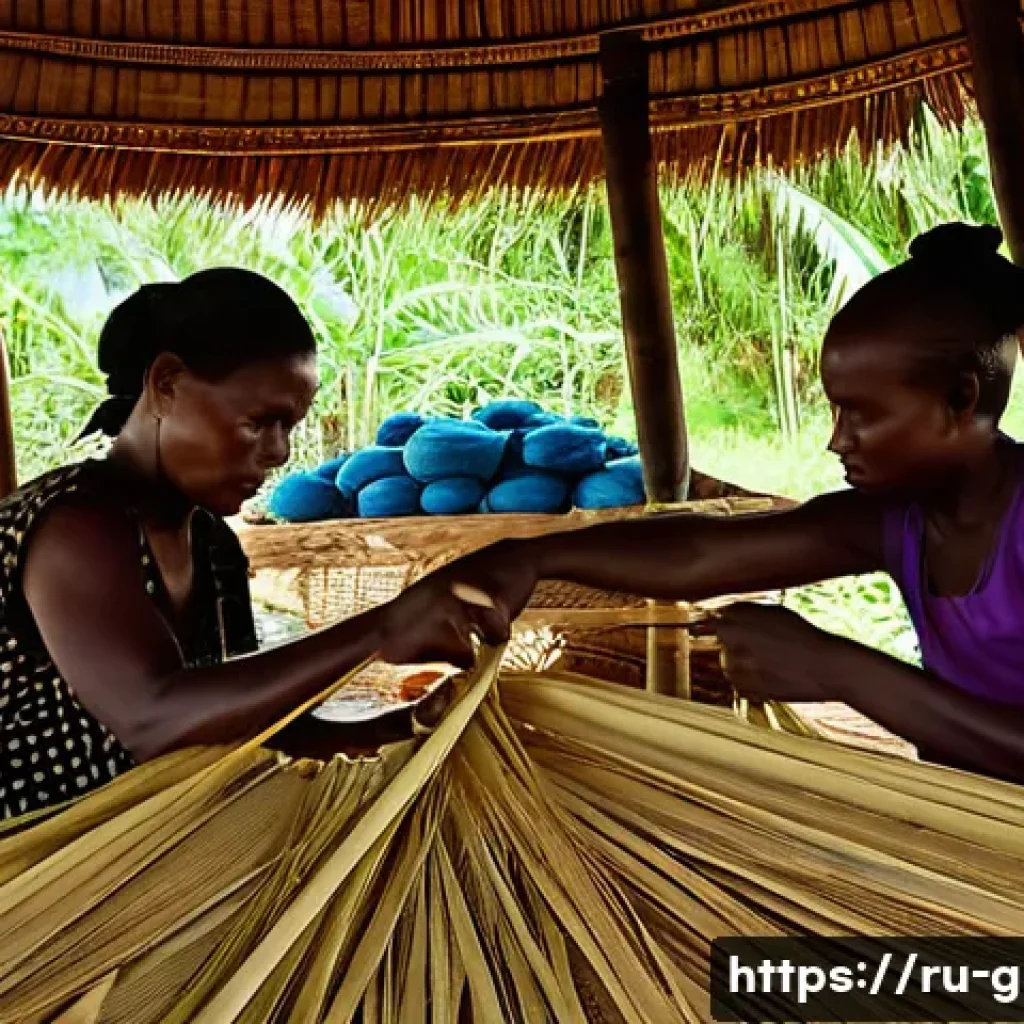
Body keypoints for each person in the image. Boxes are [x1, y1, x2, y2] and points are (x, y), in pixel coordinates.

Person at [439, 222, 1024, 783]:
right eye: (835, 412)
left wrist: (838, 669)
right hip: (983, 826)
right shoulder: (899, 519)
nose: (838, 440)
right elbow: (701, 553)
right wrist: (531, 558)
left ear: (959, 398)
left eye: (864, 414)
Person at [0, 269, 507, 820]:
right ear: (166, 383)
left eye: (289, 426)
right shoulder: (76, 525)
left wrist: (404, 725)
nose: (279, 452)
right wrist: (382, 629)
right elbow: (153, 718)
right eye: (260, 422)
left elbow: (241, 721)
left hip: (149, 847)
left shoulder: (212, 544)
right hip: (39, 873)